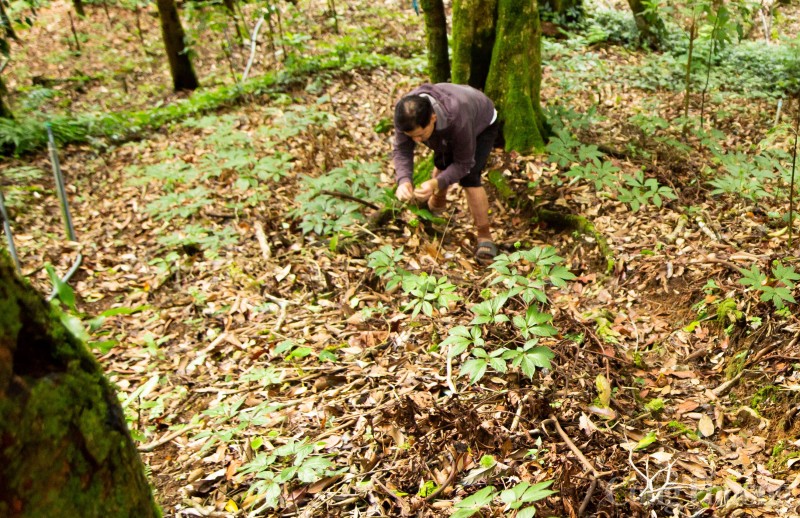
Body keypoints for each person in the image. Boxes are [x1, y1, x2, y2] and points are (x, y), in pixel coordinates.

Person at [392, 83, 500, 264]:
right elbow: (402, 149)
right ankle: (437, 204)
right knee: (441, 160)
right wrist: (403, 180)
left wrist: (435, 183)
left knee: (469, 177)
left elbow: (464, 163)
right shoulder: (406, 116)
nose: (416, 141)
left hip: (482, 121)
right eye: (412, 137)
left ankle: (484, 235)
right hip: (449, 120)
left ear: (433, 118)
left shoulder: (458, 118)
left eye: (420, 135)